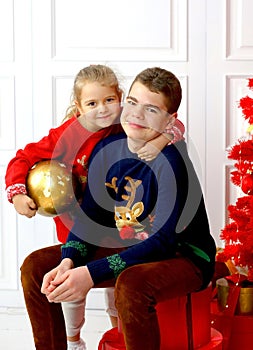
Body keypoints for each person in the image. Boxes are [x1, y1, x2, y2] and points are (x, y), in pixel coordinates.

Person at [5, 65, 185, 350]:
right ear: (78, 108)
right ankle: (73, 340)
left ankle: (118, 337)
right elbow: (24, 157)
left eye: (109, 100)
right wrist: (17, 192)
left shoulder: (130, 118)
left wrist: (161, 141)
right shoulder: (67, 135)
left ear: (120, 97)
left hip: (127, 228)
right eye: (92, 104)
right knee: (66, 283)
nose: (103, 109)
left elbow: (173, 123)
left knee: (121, 288)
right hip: (82, 228)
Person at [39, 67, 216, 350]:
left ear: (170, 120)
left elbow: (162, 243)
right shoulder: (108, 147)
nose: (136, 115)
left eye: (151, 109)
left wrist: (90, 273)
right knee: (38, 267)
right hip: (130, 243)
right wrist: (69, 259)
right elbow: (92, 216)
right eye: (132, 103)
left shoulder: (173, 162)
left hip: (183, 255)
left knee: (131, 284)